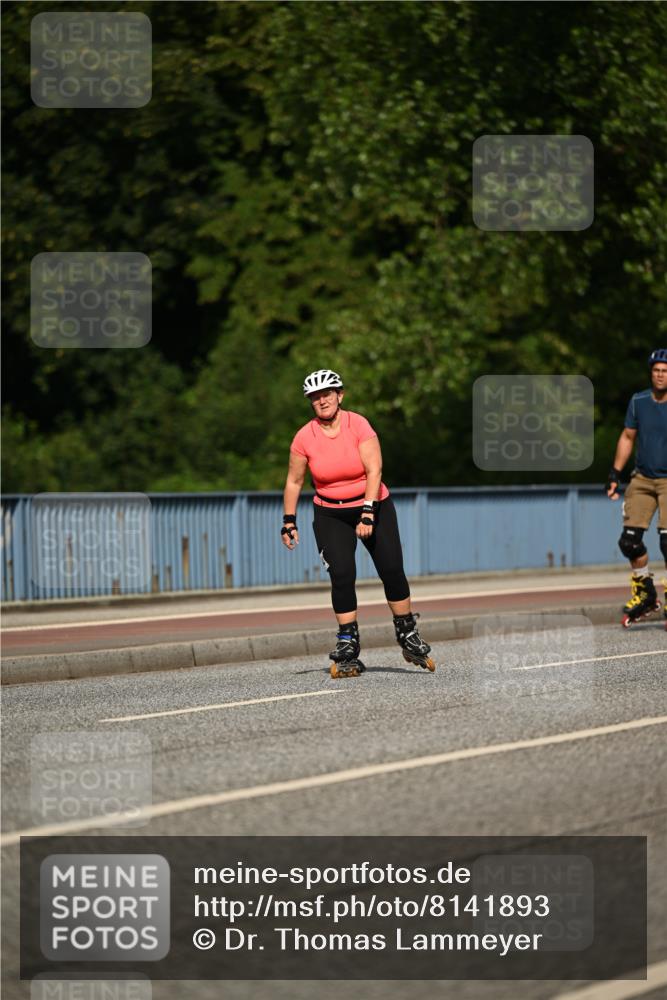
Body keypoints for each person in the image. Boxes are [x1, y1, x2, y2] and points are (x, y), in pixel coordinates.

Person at [281, 368, 435, 677]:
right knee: (342, 573)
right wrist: (289, 521)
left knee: (391, 568)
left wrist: (368, 511)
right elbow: (294, 481)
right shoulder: (303, 437)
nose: (321, 400)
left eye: (327, 394)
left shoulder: (358, 424)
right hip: (330, 513)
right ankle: (348, 640)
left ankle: (406, 631)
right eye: (315, 397)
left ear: (340, 395)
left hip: (372, 504)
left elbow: (374, 470)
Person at [606, 348, 667, 627]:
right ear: (650, 372)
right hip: (642, 479)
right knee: (628, 541)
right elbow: (628, 436)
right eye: (656, 370)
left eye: (665, 371)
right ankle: (646, 593)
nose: (660, 375)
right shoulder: (639, 401)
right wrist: (615, 474)